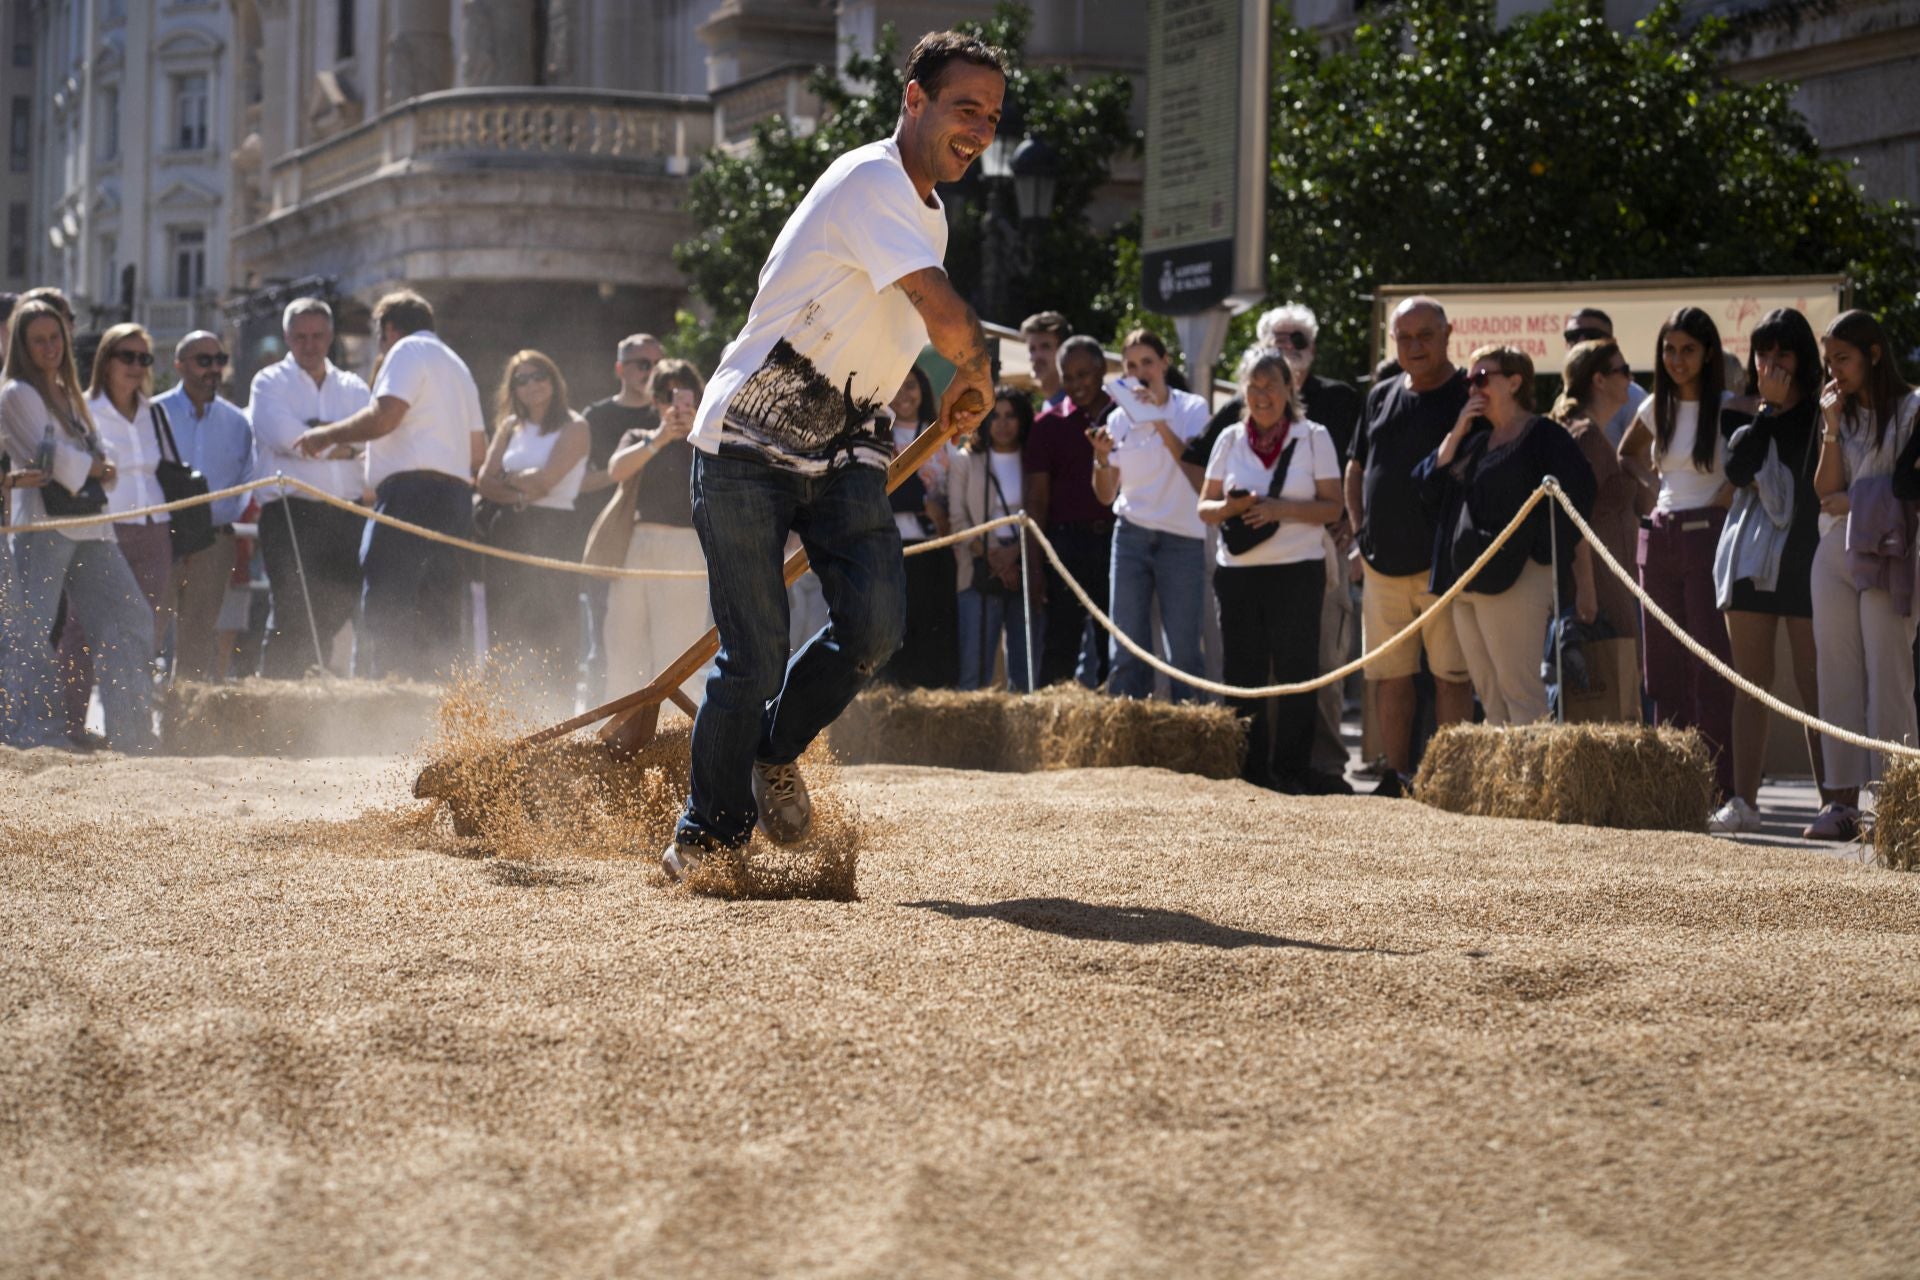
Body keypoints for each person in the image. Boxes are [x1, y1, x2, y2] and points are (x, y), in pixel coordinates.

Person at [661, 30, 1004, 879]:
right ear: (914, 100)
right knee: (753, 653)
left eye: (993, 117)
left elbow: (903, 321)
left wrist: (947, 381)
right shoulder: (872, 179)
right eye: (966, 109)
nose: (982, 130)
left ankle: (772, 750)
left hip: (846, 439)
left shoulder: (926, 211)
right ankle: (708, 837)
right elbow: (945, 315)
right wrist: (976, 371)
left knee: (876, 624)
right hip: (747, 438)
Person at [294, 290, 486, 681]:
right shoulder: (458, 365)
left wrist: (325, 435)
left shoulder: (406, 351)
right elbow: (478, 451)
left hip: (411, 496)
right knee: (440, 605)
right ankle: (443, 707)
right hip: (455, 499)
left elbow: (385, 417)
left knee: (388, 597)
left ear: (390, 329)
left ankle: (388, 699)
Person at [1703, 309, 1838, 835]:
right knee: (1751, 685)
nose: (1771, 363)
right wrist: (1767, 411)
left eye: (1783, 353)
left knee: (1814, 686)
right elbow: (1737, 470)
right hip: (1752, 563)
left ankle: (1835, 800)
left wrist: (1788, 409)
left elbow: (1811, 483)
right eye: (1764, 353)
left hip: (1807, 559)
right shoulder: (1744, 416)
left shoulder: (1826, 415)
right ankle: (1743, 800)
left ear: (1803, 358)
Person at [0, 300, 156, 751]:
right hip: (44, 525)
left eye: (55, 338)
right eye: (39, 340)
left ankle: (133, 736)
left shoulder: (70, 393)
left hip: (90, 524)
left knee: (129, 617)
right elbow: (48, 458)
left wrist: (94, 465)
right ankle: (27, 735)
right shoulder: (16, 392)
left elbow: (100, 456)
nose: (49, 347)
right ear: (24, 347)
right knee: (28, 633)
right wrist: (95, 467)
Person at [1415, 345, 1597, 726]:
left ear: (1515, 381)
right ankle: (1505, 786)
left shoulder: (1545, 435)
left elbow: (1578, 500)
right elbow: (1427, 486)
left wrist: (1562, 568)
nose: (1473, 389)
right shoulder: (1476, 440)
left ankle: (1538, 785)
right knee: (1490, 695)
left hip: (1518, 578)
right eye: (1469, 381)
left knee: (1521, 691)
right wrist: (1460, 428)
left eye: (1482, 378)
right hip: (1467, 580)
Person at [1197, 351, 1344, 792]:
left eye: (1271, 386)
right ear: (1243, 392)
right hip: (1238, 574)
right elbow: (1205, 509)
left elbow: (1333, 506)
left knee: (1298, 671)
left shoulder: (1314, 436)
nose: (1262, 396)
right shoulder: (1228, 438)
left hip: (1297, 570)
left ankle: (1292, 771)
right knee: (1242, 675)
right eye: (1254, 387)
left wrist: (1281, 509)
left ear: (1289, 389)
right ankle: (1250, 773)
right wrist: (1233, 507)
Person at [1346, 297, 1474, 795]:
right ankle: (1395, 775)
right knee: (1391, 678)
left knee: (1452, 678)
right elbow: (1356, 465)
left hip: (1444, 566)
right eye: (1405, 337)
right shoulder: (1379, 395)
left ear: (1448, 334)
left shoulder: (1469, 395)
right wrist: (1359, 532)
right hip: (1382, 565)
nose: (1415, 345)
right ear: (1392, 341)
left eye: (1426, 335)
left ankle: (1451, 780)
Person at [1809, 309, 1919, 840]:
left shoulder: (1913, 408)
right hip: (1835, 551)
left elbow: (1900, 490)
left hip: (1891, 552)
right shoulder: (1839, 412)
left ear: (1874, 353)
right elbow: (1822, 491)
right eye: (1829, 362)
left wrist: (1856, 499)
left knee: (1888, 675)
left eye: (1843, 359)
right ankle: (1842, 802)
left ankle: (1897, 805)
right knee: (1837, 675)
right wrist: (1830, 429)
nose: (1835, 373)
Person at [1619, 306, 1736, 799]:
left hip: (1708, 533)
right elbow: (1627, 454)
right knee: (1661, 666)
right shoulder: (1654, 407)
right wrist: (1651, 495)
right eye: (1669, 349)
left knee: (1709, 664)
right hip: (1660, 533)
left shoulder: (1732, 405)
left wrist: (1723, 498)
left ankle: (1715, 786)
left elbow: (1750, 464)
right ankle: (1669, 789)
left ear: (1709, 352)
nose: (1677, 359)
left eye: (1688, 349)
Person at [247, 297, 373, 677]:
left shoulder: (352, 386)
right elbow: (287, 436)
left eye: (318, 335)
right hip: (291, 514)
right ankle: (275, 704)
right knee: (291, 611)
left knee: (342, 601)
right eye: (300, 336)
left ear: (330, 336)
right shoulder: (269, 382)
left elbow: (371, 439)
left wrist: (316, 437)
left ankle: (308, 692)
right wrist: (345, 446)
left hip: (347, 513)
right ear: (287, 337)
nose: (310, 344)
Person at [1090, 327, 1210, 701]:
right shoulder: (1116, 420)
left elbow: (1197, 477)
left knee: (1184, 652)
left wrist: (1157, 416)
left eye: (1148, 362)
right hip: (1130, 536)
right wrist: (1101, 459)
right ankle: (1127, 736)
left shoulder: (1192, 409)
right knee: (1125, 646)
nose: (1140, 371)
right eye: (1131, 365)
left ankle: (1192, 735)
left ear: (1164, 364)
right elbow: (1106, 495)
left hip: (1182, 539)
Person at [588, 357, 710, 703]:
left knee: (678, 652)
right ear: (654, 400)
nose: (672, 403)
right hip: (636, 545)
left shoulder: (708, 439)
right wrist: (659, 438)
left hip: (686, 546)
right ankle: (620, 734)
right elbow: (616, 470)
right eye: (664, 394)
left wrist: (694, 434)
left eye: (682, 394)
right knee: (623, 644)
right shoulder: (641, 436)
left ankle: (674, 739)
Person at [474, 349, 590, 696]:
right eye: (521, 379)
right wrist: (519, 490)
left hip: (554, 532)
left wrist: (505, 481)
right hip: (507, 530)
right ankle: (507, 713)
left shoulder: (575, 425)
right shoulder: (509, 427)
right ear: (512, 389)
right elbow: (482, 481)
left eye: (539, 375)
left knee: (553, 625)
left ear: (553, 380)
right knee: (505, 626)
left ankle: (556, 716)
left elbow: (545, 482)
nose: (532, 385)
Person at [154, 330, 253, 682]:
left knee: (197, 643)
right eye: (203, 360)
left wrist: (218, 528)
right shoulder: (153, 413)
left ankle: (181, 734)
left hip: (213, 544)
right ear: (179, 365)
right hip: (160, 539)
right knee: (145, 634)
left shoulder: (238, 423)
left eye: (219, 360)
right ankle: (131, 731)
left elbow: (245, 483)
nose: (213, 368)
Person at [575, 333, 664, 703]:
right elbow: (577, 479)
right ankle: (595, 734)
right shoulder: (596, 417)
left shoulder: (666, 415)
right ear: (619, 369)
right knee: (605, 644)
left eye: (656, 365)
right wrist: (623, 472)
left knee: (659, 645)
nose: (650, 372)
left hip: (659, 541)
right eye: (642, 364)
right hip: (611, 541)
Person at [1026, 334, 1116, 689]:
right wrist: (1034, 567)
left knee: (1115, 644)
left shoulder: (1125, 417)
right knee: (1060, 646)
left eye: (1084, 374)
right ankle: (1047, 729)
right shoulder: (1049, 424)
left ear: (1102, 370)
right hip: (1066, 546)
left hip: (1116, 542)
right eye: (1069, 376)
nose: (1077, 384)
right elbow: (1036, 501)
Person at [1550, 339, 1644, 664]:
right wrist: (1586, 590)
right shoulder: (1585, 436)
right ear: (1599, 380)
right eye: (1623, 371)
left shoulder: (1584, 431)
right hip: (1600, 581)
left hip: (1610, 573)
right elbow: (1575, 518)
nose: (1630, 380)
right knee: (1615, 686)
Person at [85, 323, 172, 653]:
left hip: (155, 529)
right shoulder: (83, 411)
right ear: (106, 360)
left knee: (144, 628)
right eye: (127, 356)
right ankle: (69, 707)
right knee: (86, 629)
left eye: (144, 359)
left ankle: (132, 705)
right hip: (103, 530)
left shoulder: (155, 413)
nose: (136, 366)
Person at [950, 386, 1041, 691]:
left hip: (1025, 565)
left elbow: (1041, 514)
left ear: (1023, 420)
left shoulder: (1034, 459)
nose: (1002, 424)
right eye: (995, 416)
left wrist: (1014, 555)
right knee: (974, 674)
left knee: (1025, 675)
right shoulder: (966, 460)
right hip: (978, 569)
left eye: (1010, 416)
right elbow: (958, 521)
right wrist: (996, 559)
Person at [880, 364, 960, 688]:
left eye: (911, 386)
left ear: (923, 390)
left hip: (934, 546)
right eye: (897, 386)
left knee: (933, 624)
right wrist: (920, 503)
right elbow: (871, 491)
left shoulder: (940, 435)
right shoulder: (876, 435)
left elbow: (955, 487)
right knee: (896, 628)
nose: (904, 395)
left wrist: (940, 511)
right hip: (889, 547)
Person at [1564, 307, 1649, 447]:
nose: (1582, 342)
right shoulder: (1563, 400)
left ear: (1612, 343)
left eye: (1592, 335)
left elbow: (1645, 460)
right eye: (1572, 336)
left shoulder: (1633, 397)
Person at [1020, 311, 1070, 410]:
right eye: (1032, 349)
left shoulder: (1072, 406)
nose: (1037, 356)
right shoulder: (1048, 405)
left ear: (1063, 351)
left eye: (1045, 347)